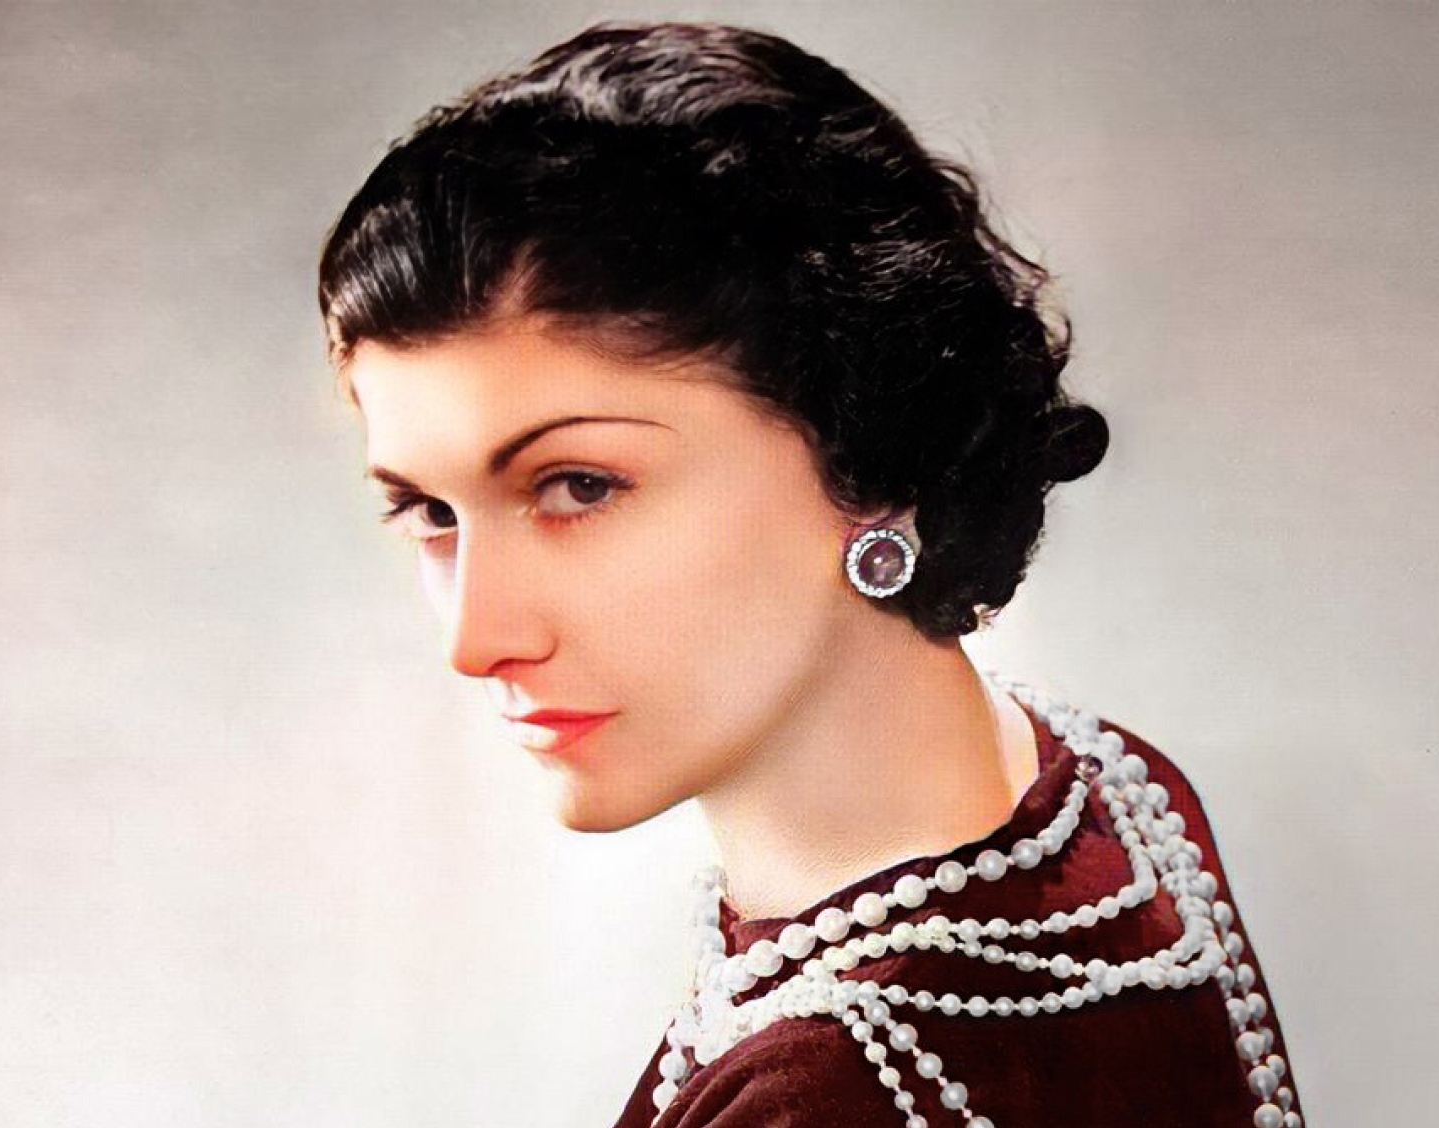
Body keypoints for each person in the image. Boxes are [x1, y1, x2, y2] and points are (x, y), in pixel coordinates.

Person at [316, 21, 1303, 1128]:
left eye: (579, 486)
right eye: (428, 512)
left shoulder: (830, 1090)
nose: (477, 638)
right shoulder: (1118, 793)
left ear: (863, 450)